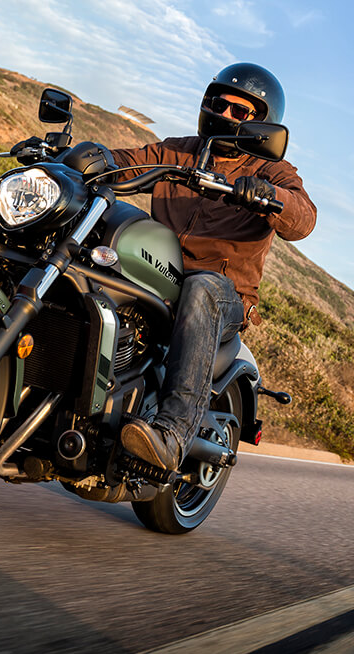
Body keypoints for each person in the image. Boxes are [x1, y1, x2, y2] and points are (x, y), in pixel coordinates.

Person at [108, 63, 317, 471]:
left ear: (261, 124)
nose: (224, 115)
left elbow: (303, 217)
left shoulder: (270, 169)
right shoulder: (177, 151)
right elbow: (126, 162)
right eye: (219, 104)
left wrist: (268, 195)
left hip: (224, 295)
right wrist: (85, 157)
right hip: (161, 274)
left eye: (239, 112)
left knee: (201, 287)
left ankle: (173, 434)